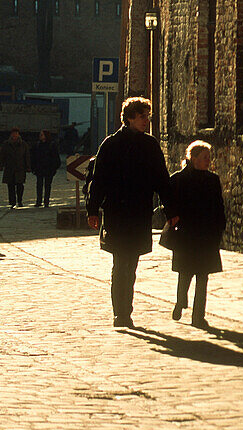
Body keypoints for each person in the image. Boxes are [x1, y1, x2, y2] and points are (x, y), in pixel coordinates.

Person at [86, 96, 177, 328]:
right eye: (141, 116)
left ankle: (126, 310)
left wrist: (171, 209)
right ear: (129, 118)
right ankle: (121, 313)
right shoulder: (111, 144)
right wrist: (92, 209)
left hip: (138, 212)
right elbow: (98, 180)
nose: (146, 120)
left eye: (147, 116)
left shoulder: (150, 145)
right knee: (120, 263)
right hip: (117, 212)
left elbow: (161, 179)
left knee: (131, 264)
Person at [168, 140, 226, 330]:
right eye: (204, 158)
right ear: (192, 158)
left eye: (209, 158)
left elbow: (218, 206)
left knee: (203, 277)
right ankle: (180, 303)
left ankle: (198, 316)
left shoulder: (212, 179)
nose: (208, 161)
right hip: (186, 234)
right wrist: (172, 216)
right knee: (185, 274)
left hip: (207, 235)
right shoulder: (178, 179)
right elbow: (169, 203)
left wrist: (219, 227)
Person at [0, 127, 30, 209]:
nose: (14, 135)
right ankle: (12, 202)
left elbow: (26, 156)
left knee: (20, 186)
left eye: (16, 133)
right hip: (10, 168)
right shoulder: (6, 144)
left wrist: (28, 167)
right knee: (11, 186)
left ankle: (19, 200)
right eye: (13, 133)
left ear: (18, 134)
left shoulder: (23, 144)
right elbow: (2, 155)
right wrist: (0, 165)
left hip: (20, 168)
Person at [31, 129, 60, 207]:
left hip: (48, 169)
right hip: (39, 168)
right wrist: (33, 167)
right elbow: (33, 157)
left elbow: (55, 157)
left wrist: (54, 168)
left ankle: (46, 201)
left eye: (42, 135)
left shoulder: (51, 145)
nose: (40, 136)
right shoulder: (37, 145)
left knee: (47, 185)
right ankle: (39, 201)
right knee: (39, 185)